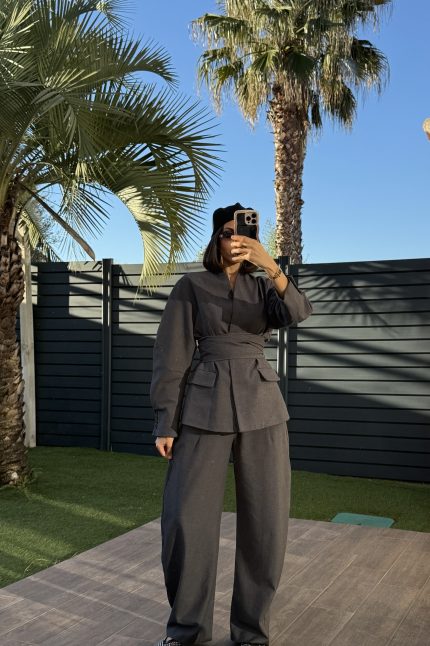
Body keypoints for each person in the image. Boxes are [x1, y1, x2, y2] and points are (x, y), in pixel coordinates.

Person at [151, 203, 313, 646]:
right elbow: (171, 355)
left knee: (266, 522)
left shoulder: (265, 287)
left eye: (244, 234)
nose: (236, 240)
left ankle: (251, 633)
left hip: (263, 407)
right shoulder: (191, 286)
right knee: (185, 519)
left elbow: (298, 311)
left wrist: (271, 266)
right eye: (227, 232)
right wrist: (166, 421)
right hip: (202, 407)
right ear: (215, 239)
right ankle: (186, 631)